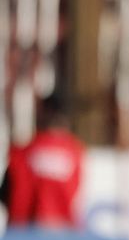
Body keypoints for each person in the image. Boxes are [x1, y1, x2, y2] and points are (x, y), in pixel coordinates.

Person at [1, 95, 85, 230]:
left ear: (46, 112)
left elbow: (6, 193)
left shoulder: (23, 152)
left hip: (25, 231)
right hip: (64, 230)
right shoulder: (76, 152)